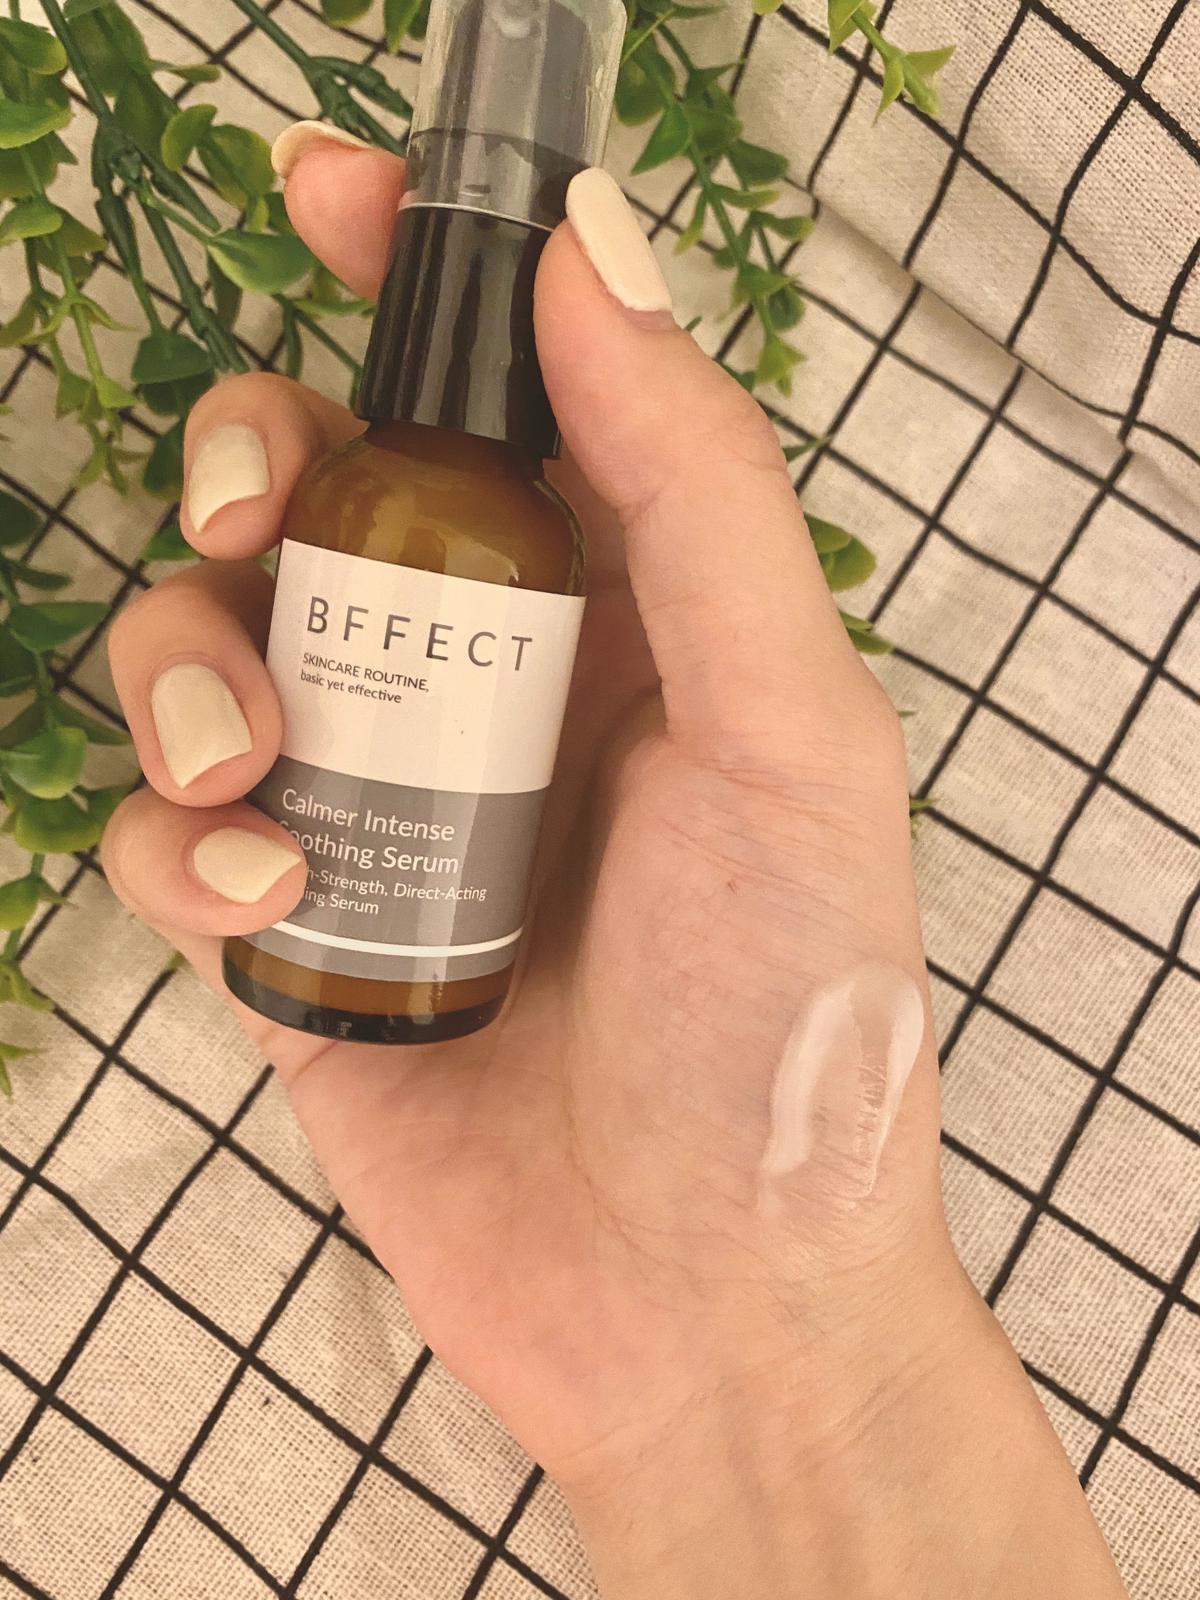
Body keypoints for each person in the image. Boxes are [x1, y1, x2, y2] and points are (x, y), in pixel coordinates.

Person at [103, 128, 1128, 1596]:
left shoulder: (524, 529)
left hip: (507, 1010)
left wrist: (768, 1344)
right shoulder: (363, 496)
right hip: (425, 1011)